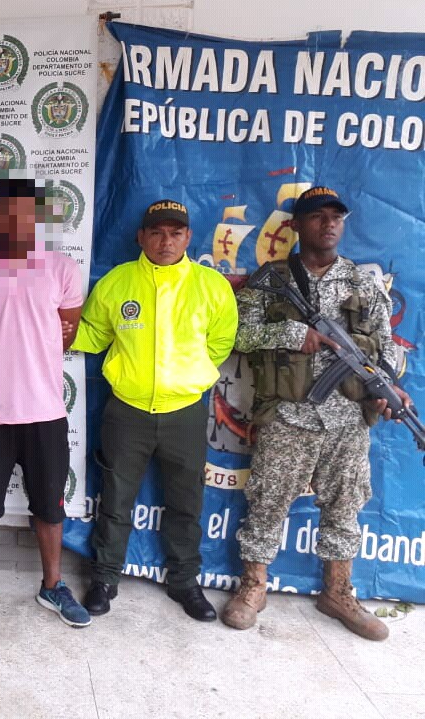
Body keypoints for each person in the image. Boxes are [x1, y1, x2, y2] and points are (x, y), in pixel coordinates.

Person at [223, 186, 410, 640]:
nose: (328, 224)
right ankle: (254, 587)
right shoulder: (271, 279)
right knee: (268, 500)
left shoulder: (363, 282)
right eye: (317, 216)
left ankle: (338, 591)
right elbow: (238, 335)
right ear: (296, 225)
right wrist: (293, 335)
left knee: (346, 504)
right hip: (288, 415)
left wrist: (387, 386)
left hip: (348, 418)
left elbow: (388, 347)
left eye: (336, 217)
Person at [70, 199, 238, 622]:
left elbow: (220, 343)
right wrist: (54, 332)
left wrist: (189, 377)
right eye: (157, 233)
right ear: (141, 237)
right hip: (127, 411)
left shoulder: (212, 286)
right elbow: (94, 334)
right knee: (115, 499)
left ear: (188, 237)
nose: (166, 242)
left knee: (187, 502)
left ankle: (184, 581)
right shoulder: (118, 281)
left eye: (175, 233)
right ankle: (105, 578)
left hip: (185, 411)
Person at [0, 176, 88, 627]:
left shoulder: (62, 269)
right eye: (8, 212)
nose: (17, 221)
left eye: (26, 212)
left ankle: (53, 585)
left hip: (44, 412)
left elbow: (66, 334)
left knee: (49, 505)